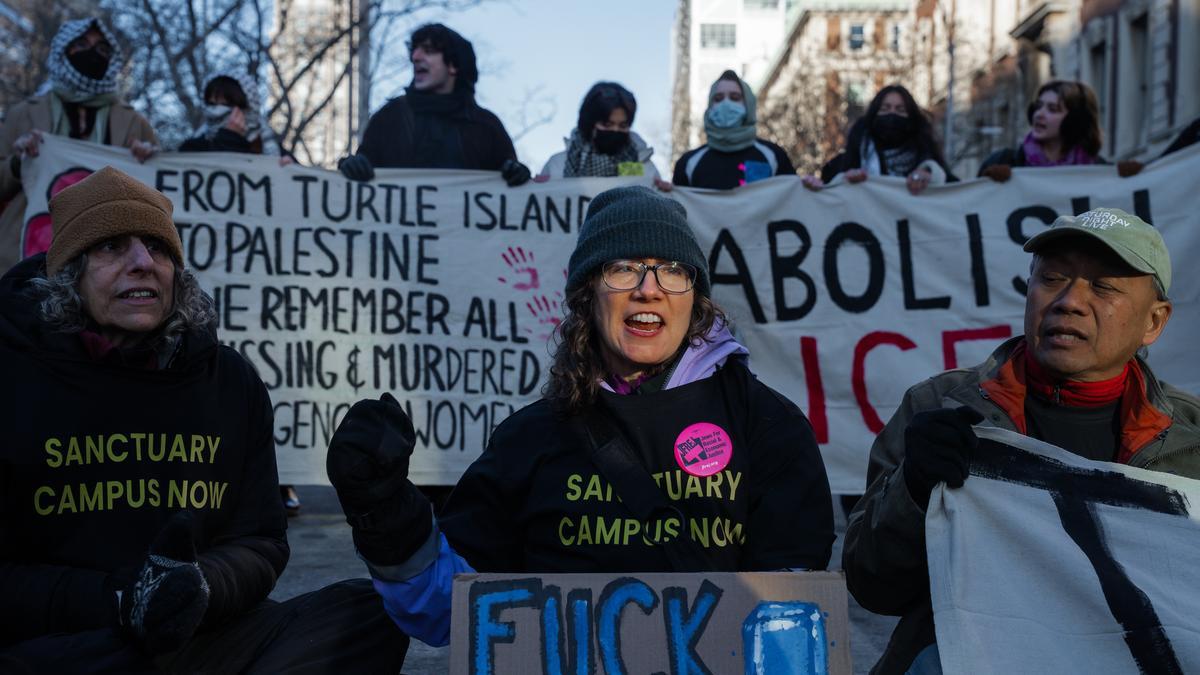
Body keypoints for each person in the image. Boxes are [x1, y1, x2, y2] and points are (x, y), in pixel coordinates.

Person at [327, 186, 835, 646]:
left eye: (673, 270)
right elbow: (448, 613)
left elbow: (789, 626)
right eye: (624, 268)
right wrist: (385, 513)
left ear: (694, 299)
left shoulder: (767, 426)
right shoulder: (530, 438)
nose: (649, 288)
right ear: (587, 294)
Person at [0, 167, 406, 671]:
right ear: (69, 274)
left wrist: (198, 588)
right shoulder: (13, 372)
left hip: (199, 636)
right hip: (65, 643)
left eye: (158, 247)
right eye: (112, 247)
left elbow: (261, 540)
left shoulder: (229, 380)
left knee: (370, 614)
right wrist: (120, 600)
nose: (143, 263)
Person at [842, 207, 1200, 674]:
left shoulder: (1191, 442)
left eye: (1105, 286)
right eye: (1052, 278)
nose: (1069, 301)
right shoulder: (939, 408)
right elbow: (873, 587)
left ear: (1154, 321)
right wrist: (912, 488)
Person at [179, 72, 300, 515]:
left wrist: (293, 174)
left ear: (245, 110)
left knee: (265, 382)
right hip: (205, 290)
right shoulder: (188, 153)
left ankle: (279, 481)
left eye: (228, 103)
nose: (220, 111)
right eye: (211, 101)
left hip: (261, 297)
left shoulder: (269, 154)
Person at [0, 17, 158, 273]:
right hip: (28, 252)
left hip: (105, 257)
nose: (93, 53)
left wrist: (148, 163)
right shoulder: (22, 114)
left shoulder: (135, 123)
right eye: (82, 44)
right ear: (64, 51)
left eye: (102, 49)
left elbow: (157, 199)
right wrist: (18, 163)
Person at [337, 23, 530, 186]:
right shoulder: (389, 118)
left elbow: (510, 197)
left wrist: (516, 174)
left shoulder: (486, 126)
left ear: (453, 65)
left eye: (429, 51)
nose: (416, 57)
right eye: (415, 50)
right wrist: (354, 167)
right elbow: (365, 176)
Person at [804, 85, 956, 195]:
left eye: (900, 110)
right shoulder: (842, 165)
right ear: (874, 115)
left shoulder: (927, 160)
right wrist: (821, 186)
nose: (892, 114)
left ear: (911, 118)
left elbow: (954, 193)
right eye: (885, 109)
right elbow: (828, 195)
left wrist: (931, 176)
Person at [672, 70, 795, 189]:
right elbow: (677, 207)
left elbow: (792, 198)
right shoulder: (688, 164)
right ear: (710, 106)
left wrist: (807, 187)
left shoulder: (774, 156)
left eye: (735, 97)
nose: (726, 103)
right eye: (718, 98)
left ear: (748, 105)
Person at [539, 81, 668, 188]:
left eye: (623, 125)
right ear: (589, 124)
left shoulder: (642, 168)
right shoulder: (558, 166)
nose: (615, 130)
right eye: (607, 124)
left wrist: (667, 193)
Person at [978, 80, 1104, 182]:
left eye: (1052, 109)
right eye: (1038, 107)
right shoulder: (1002, 162)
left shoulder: (1101, 172)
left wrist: (1122, 180)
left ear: (1075, 120)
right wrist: (989, 183)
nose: (1039, 114)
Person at [179, 72, 291, 166]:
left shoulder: (273, 149)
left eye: (227, 105)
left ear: (250, 108)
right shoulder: (192, 148)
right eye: (212, 104)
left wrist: (288, 170)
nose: (218, 111)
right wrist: (229, 139)